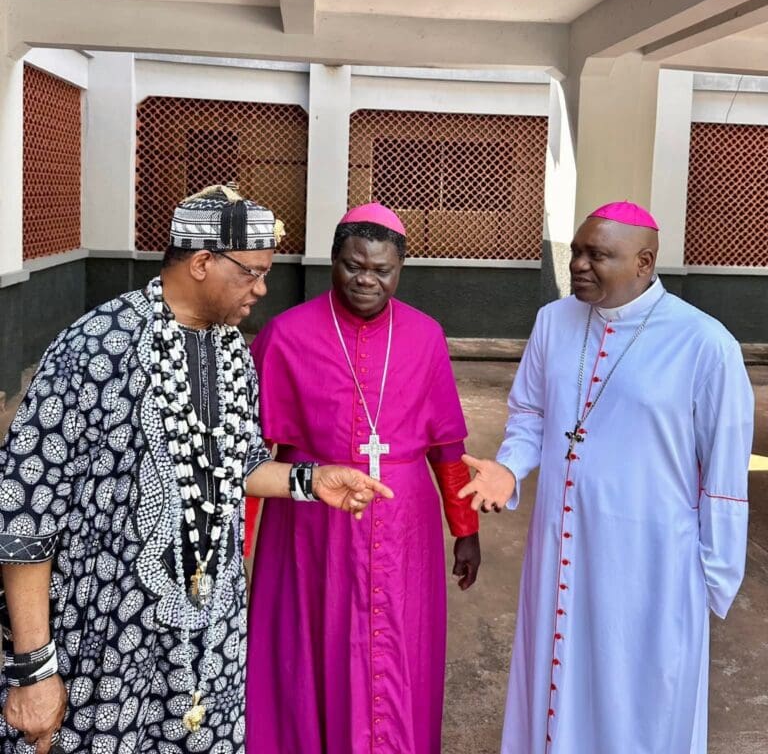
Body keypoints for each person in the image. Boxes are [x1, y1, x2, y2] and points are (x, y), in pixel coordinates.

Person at [0, 185, 391, 754]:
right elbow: (25, 510)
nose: (263, 288)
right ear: (203, 262)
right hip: (105, 647)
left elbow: (229, 466)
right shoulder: (95, 346)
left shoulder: (231, 350)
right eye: (253, 272)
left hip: (211, 647)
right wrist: (34, 669)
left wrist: (309, 481)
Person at [459, 201, 754, 754]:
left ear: (644, 262)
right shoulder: (554, 321)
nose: (579, 265)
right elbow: (530, 413)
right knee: (554, 678)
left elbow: (724, 475)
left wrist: (710, 577)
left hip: (654, 563)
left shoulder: (704, 344)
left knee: (638, 701)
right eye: (576, 251)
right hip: (560, 545)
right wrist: (510, 465)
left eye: (599, 255)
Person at [245, 202, 481, 754]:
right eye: (354, 266)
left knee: (398, 648)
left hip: (405, 525)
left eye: (382, 270)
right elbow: (257, 451)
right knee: (310, 647)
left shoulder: (425, 336)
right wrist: (241, 542)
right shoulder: (284, 334)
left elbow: (448, 443)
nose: (367, 280)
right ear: (333, 261)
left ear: (401, 269)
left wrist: (465, 529)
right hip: (309, 522)